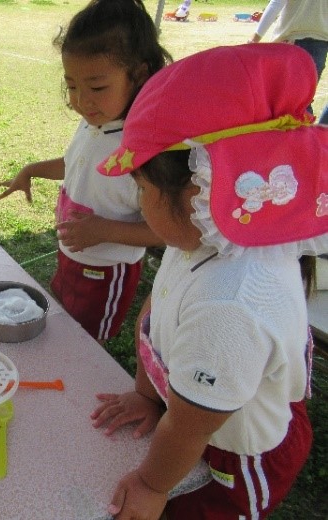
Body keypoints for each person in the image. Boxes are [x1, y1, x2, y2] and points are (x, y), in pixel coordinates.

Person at [92, 43, 327, 519]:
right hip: (198, 412)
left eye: (142, 187)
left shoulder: (230, 304)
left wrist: (150, 484)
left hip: (237, 456)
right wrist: (146, 393)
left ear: (202, 186)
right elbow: (156, 315)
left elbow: (187, 430)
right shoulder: (203, 239)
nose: (139, 202)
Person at [0, 0, 168, 342]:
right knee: (60, 317)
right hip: (72, 254)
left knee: (86, 341)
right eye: (72, 85)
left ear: (140, 75)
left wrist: (103, 229)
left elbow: (165, 232)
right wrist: (31, 170)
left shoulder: (144, 148)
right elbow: (76, 164)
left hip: (107, 270)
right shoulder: (94, 125)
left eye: (97, 87)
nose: (81, 100)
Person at [249, 0, 328, 122]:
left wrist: (255, 39)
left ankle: (306, 138)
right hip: (320, 43)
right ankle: (312, 137)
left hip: (290, 42)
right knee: (302, 102)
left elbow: (276, 4)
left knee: (289, 104)